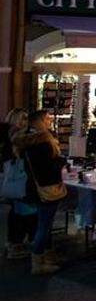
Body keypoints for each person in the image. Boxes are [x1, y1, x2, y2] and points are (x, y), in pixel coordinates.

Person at [16, 110, 64, 275]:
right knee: (44, 225)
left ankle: (43, 256)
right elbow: (47, 169)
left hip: (35, 187)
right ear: (41, 121)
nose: (50, 121)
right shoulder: (42, 143)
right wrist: (60, 161)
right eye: (48, 119)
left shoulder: (27, 142)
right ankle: (38, 260)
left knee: (42, 224)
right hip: (46, 188)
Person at [2, 109, 36, 261]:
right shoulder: (17, 137)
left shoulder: (7, 136)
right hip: (19, 180)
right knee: (24, 213)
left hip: (12, 180)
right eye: (23, 119)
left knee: (17, 212)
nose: (25, 122)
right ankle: (18, 244)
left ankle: (14, 243)